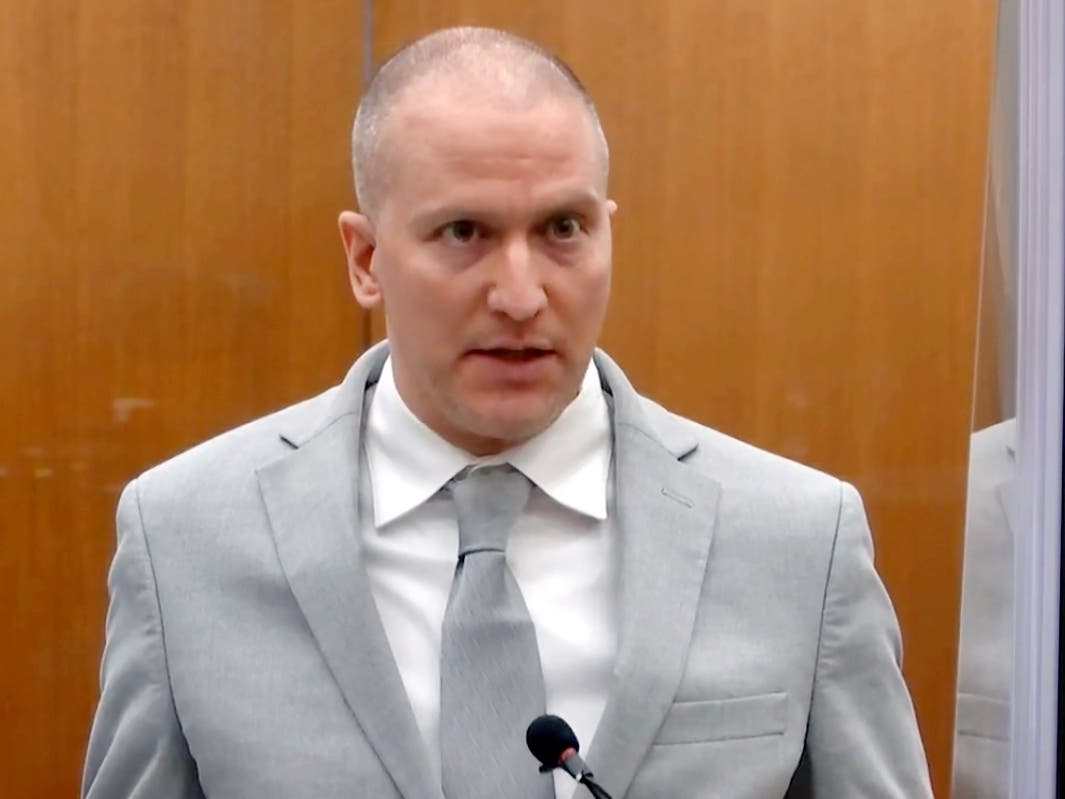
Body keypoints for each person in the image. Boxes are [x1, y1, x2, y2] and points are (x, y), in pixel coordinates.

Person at [83, 26, 933, 799]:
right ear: (366, 259)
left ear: (608, 233)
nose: (521, 295)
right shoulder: (183, 539)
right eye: (464, 232)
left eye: (562, 228)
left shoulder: (798, 539)